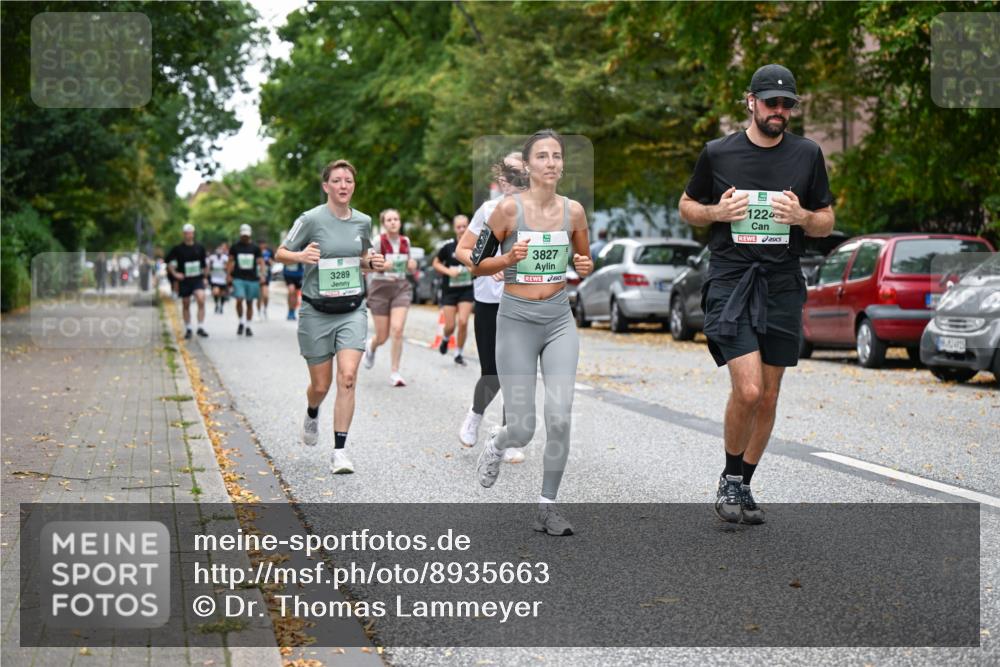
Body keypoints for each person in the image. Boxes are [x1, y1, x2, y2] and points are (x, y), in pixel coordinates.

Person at [679, 64, 835, 525]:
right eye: (772, 103)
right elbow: (687, 207)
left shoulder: (807, 154)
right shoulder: (718, 152)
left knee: (768, 395)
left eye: (787, 104)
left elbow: (826, 219)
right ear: (751, 101)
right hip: (732, 278)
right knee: (747, 390)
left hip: (783, 281)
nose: (780, 111)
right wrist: (716, 210)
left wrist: (804, 218)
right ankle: (729, 479)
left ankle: (745, 484)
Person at [469, 130, 593, 536]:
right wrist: (507, 258)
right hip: (516, 320)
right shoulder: (506, 210)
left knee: (559, 418)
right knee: (524, 426)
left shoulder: (574, 211)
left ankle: (547, 507)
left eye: (557, 156)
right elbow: (476, 263)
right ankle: (498, 442)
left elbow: (582, 259)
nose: (552, 163)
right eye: (543, 156)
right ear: (529, 165)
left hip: (558, 319)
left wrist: (583, 265)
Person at [275, 159, 385, 474]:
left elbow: (363, 260)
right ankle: (312, 411)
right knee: (321, 386)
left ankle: (339, 451)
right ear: (326, 186)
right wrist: (299, 256)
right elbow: (280, 252)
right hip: (316, 311)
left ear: (354, 185)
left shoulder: (363, 222)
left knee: (348, 378)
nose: (342, 186)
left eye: (348, 181)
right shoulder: (310, 219)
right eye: (336, 180)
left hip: (351, 310)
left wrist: (372, 262)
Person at [455, 151, 528, 464]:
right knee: (493, 374)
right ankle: (475, 414)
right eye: (513, 176)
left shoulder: (539, 213)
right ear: (502, 181)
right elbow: (463, 251)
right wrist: (490, 264)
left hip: (523, 302)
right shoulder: (488, 209)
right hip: (489, 301)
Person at [362, 208, 418, 386]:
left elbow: (410, 266)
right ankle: (371, 346)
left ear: (400, 222)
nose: (393, 222)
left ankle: (395, 372)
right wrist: (382, 265)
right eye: (389, 220)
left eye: (396, 219)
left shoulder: (405, 241)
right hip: (380, 288)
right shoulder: (379, 241)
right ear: (384, 224)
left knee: (398, 329)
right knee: (383, 336)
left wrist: (412, 265)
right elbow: (367, 265)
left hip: (400, 287)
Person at [432, 216, 475, 366]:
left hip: (467, 290)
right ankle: (445, 339)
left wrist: (473, 268)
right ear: (454, 228)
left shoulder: (474, 245)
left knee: (463, 322)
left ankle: (458, 353)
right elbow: (436, 263)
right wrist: (448, 272)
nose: (462, 229)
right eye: (459, 227)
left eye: (465, 226)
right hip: (449, 290)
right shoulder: (448, 246)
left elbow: (479, 265)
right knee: (450, 326)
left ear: (468, 226)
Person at [165, 223, 209, 339]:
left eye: (190, 233)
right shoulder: (178, 249)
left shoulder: (200, 248)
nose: (188, 235)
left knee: (201, 298)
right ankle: (188, 328)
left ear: (193, 234)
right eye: (186, 233)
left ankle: (200, 326)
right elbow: (168, 262)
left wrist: (205, 278)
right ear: (183, 234)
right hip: (185, 280)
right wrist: (175, 273)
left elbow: (205, 265)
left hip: (197, 278)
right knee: (186, 303)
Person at [227, 224, 265, 337]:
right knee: (239, 299)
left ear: (250, 235)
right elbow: (230, 261)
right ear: (240, 234)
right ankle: (241, 321)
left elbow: (261, 262)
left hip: (252, 278)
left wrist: (262, 274)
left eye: (247, 236)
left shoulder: (255, 248)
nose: (245, 237)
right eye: (243, 235)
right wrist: (228, 275)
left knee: (249, 302)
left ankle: (247, 325)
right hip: (238, 277)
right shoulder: (235, 247)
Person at [207, 245, 229, 314]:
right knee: (216, 292)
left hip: (223, 278)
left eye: (221, 250)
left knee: (222, 294)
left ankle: (221, 306)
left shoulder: (225, 258)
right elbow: (209, 267)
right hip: (215, 278)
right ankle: (216, 304)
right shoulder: (212, 258)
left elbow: (228, 267)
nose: (219, 251)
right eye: (218, 250)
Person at [283, 254, 305, 321]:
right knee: (291, 291)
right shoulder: (288, 247)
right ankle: (290, 310)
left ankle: (293, 312)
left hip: (299, 274)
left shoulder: (302, 247)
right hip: (288, 274)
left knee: (295, 294)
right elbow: (282, 259)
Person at [257, 239, 273, 320]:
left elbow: (272, 262)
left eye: (264, 244)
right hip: (257, 275)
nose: (262, 246)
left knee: (265, 295)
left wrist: (269, 261)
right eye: (261, 244)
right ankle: (259, 312)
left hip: (266, 275)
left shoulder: (269, 252)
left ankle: (265, 309)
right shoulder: (255, 251)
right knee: (259, 296)